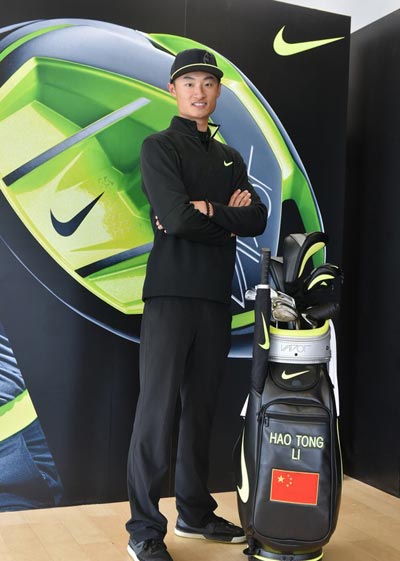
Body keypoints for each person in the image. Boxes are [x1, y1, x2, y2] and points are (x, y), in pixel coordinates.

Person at [126, 48, 268, 561]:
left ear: (218, 90)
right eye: (189, 83)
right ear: (174, 90)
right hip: (170, 294)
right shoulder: (159, 146)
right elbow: (176, 218)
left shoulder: (230, 158)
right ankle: (144, 529)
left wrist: (206, 210)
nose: (199, 91)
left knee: (201, 411)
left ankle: (194, 512)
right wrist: (221, 217)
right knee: (157, 412)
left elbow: (257, 218)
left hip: (214, 297)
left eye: (208, 83)